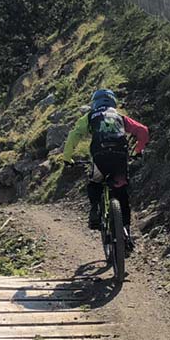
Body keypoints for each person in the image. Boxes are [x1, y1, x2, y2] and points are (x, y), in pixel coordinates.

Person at [61, 89, 149, 246]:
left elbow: (74, 135)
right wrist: (137, 151)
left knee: (95, 183)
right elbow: (143, 131)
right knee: (122, 194)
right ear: (113, 102)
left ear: (95, 103)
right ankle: (126, 233)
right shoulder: (121, 118)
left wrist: (67, 158)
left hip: (100, 156)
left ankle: (95, 209)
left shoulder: (90, 116)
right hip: (120, 157)